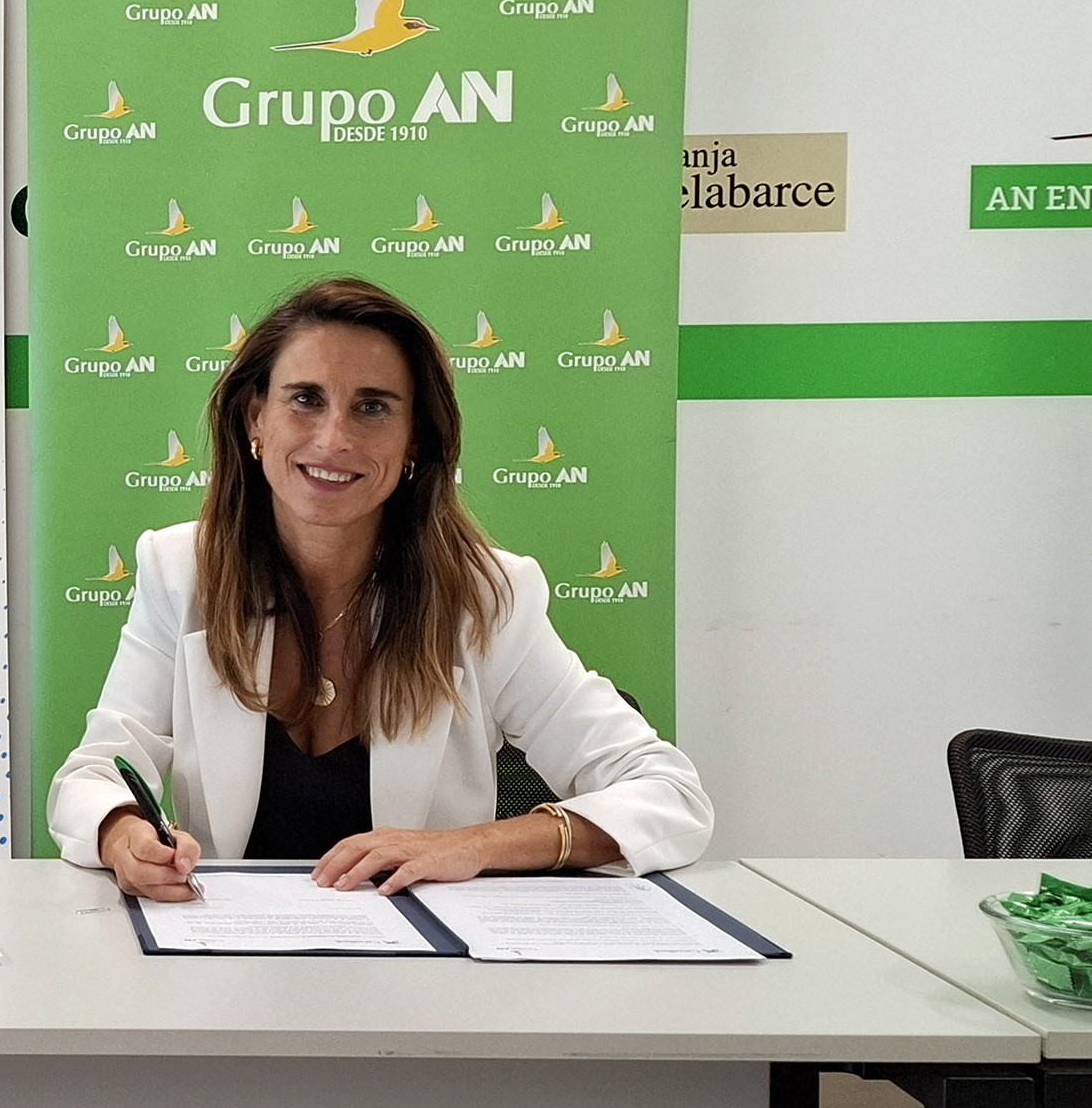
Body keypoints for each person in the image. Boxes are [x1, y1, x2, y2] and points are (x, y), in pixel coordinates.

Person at [48, 276, 712, 902]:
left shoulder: (487, 595)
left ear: (415, 437)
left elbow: (668, 795)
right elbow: (90, 778)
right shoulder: (180, 570)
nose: (333, 437)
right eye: (305, 398)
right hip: (228, 966)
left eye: (371, 406)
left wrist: (472, 844)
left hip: (425, 984)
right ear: (255, 417)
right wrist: (122, 834)